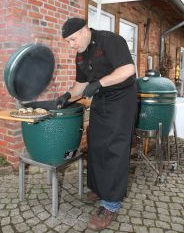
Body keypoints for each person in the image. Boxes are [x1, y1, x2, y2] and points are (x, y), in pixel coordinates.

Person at [56, 17, 137, 230]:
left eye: (72, 39)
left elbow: (128, 70)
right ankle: (100, 188)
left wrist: (99, 83)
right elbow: (80, 86)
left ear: (84, 30)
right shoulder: (81, 55)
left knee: (114, 148)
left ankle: (110, 203)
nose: (71, 45)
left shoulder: (110, 40)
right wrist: (67, 96)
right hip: (101, 98)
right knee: (97, 143)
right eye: (68, 42)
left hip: (121, 99)